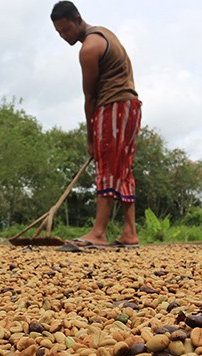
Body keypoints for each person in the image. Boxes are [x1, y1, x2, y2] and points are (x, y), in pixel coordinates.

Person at [51, 1, 142, 250]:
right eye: (59, 33)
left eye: (66, 30)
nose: (64, 36)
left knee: (107, 167)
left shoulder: (89, 49)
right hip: (131, 107)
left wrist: (90, 139)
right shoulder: (104, 32)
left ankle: (98, 233)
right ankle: (130, 232)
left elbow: (89, 98)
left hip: (113, 107)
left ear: (78, 19)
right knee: (122, 168)